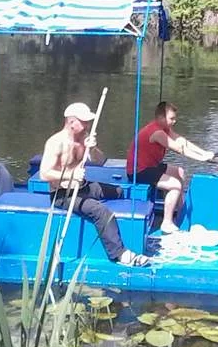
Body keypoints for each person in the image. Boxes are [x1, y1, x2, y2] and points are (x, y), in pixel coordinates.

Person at [40, 102, 151, 267]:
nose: (87, 125)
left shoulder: (83, 138)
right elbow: (44, 174)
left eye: (88, 122)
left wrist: (92, 149)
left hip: (83, 186)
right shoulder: (56, 143)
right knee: (100, 211)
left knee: (118, 191)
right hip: (63, 194)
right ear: (71, 122)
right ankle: (119, 254)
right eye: (84, 122)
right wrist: (71, 175)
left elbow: (101, 161)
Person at [126, 101, 214, 234]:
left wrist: (204, 152)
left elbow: (182, 141)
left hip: (150, 166)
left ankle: (180, 211)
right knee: (175, 185)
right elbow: (179, 149)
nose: (174, 121)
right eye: (171, 118)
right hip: (138, 172)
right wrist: (202, 159)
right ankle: (166, 223)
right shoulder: (157, 133)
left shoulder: (164, 128)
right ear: (161, 117)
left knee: (179, 172)